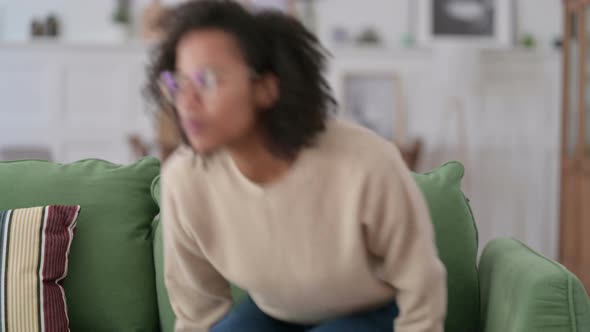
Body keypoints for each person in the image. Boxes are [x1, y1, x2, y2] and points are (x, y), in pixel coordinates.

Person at [146, 1, 447, 331]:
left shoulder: (366, 161)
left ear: (266, 88)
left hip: (371, 313)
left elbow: (420, 282)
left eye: (207, 80)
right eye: (178, 82)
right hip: (272, 315)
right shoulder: (183, 179)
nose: (187, 102)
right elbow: (197, 310)